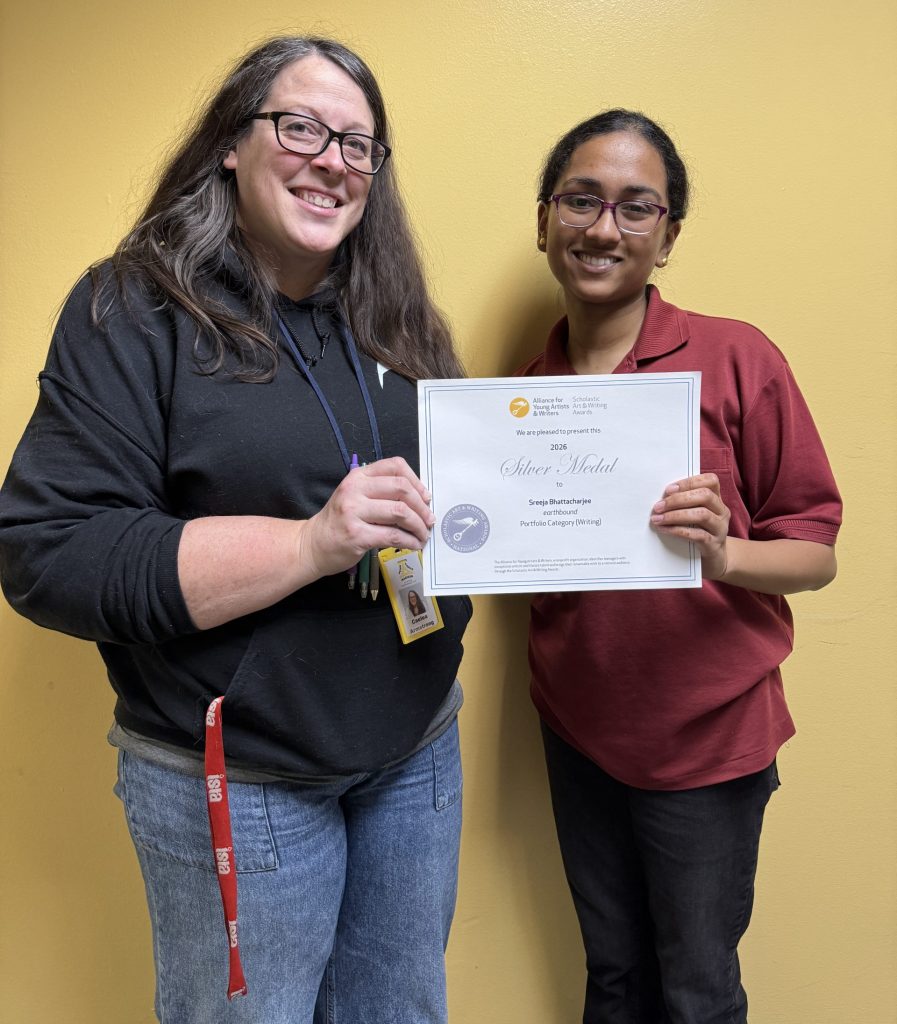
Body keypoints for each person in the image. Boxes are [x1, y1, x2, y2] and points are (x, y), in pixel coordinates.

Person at [0, 36, 471, 1024]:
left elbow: (465, 505)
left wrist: (600, 521)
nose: (332, 158)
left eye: (358, 143)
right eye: (300, 126)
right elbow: (52, 553)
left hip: (414, 754)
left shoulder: (398, 315)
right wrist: (310, 543)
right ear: (230, 143)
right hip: (243, 771)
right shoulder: (131, 310)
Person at [518, 110, 841, 1023]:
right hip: (577, 728)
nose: (602, 228)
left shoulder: (736, 357)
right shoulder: (519, 392)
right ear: (543, 220)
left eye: (634, 207)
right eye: (581, 200)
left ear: (666, 238)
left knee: (695, 988)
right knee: (613, 979)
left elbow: (814, 553)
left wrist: (724, 549)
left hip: (707, 736)